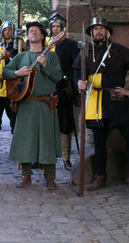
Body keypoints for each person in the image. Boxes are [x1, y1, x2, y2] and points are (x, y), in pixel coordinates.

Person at [74, 17, 129, 192]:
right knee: (99, 142)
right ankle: (100, 177)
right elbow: (76, 72)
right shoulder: (85, 52)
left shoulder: (120, 51)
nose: (99, 32)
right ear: (91, 33)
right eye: (95, 29)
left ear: (107, 32)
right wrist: (79, 83)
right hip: (96, 101)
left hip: (117, 99)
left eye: (102, 29)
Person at [2, 21, 63, 190]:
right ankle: (26, 176)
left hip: (45, 105)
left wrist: (45, 65)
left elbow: (58, 76)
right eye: (30, 31)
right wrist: (17, 72)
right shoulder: (21, 57)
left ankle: (50, 178)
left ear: (43, 36)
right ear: (27, 36)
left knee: (47, 142)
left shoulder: (51, 56)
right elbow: (5, 72)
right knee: (25, 141)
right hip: (26, 104)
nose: (33, 33)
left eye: (37, 31)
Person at [47, 10, 80, 170]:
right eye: (53, 26)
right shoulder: (45, 46)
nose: (56, 29)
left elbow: (77, 68)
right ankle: (44, 157)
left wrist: (75, 86)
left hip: (64, 90)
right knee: (46, 124)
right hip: (47, 90)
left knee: (65, 124)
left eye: (58, 26)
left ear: (63, 27)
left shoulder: (72, 46)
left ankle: (66, 158)